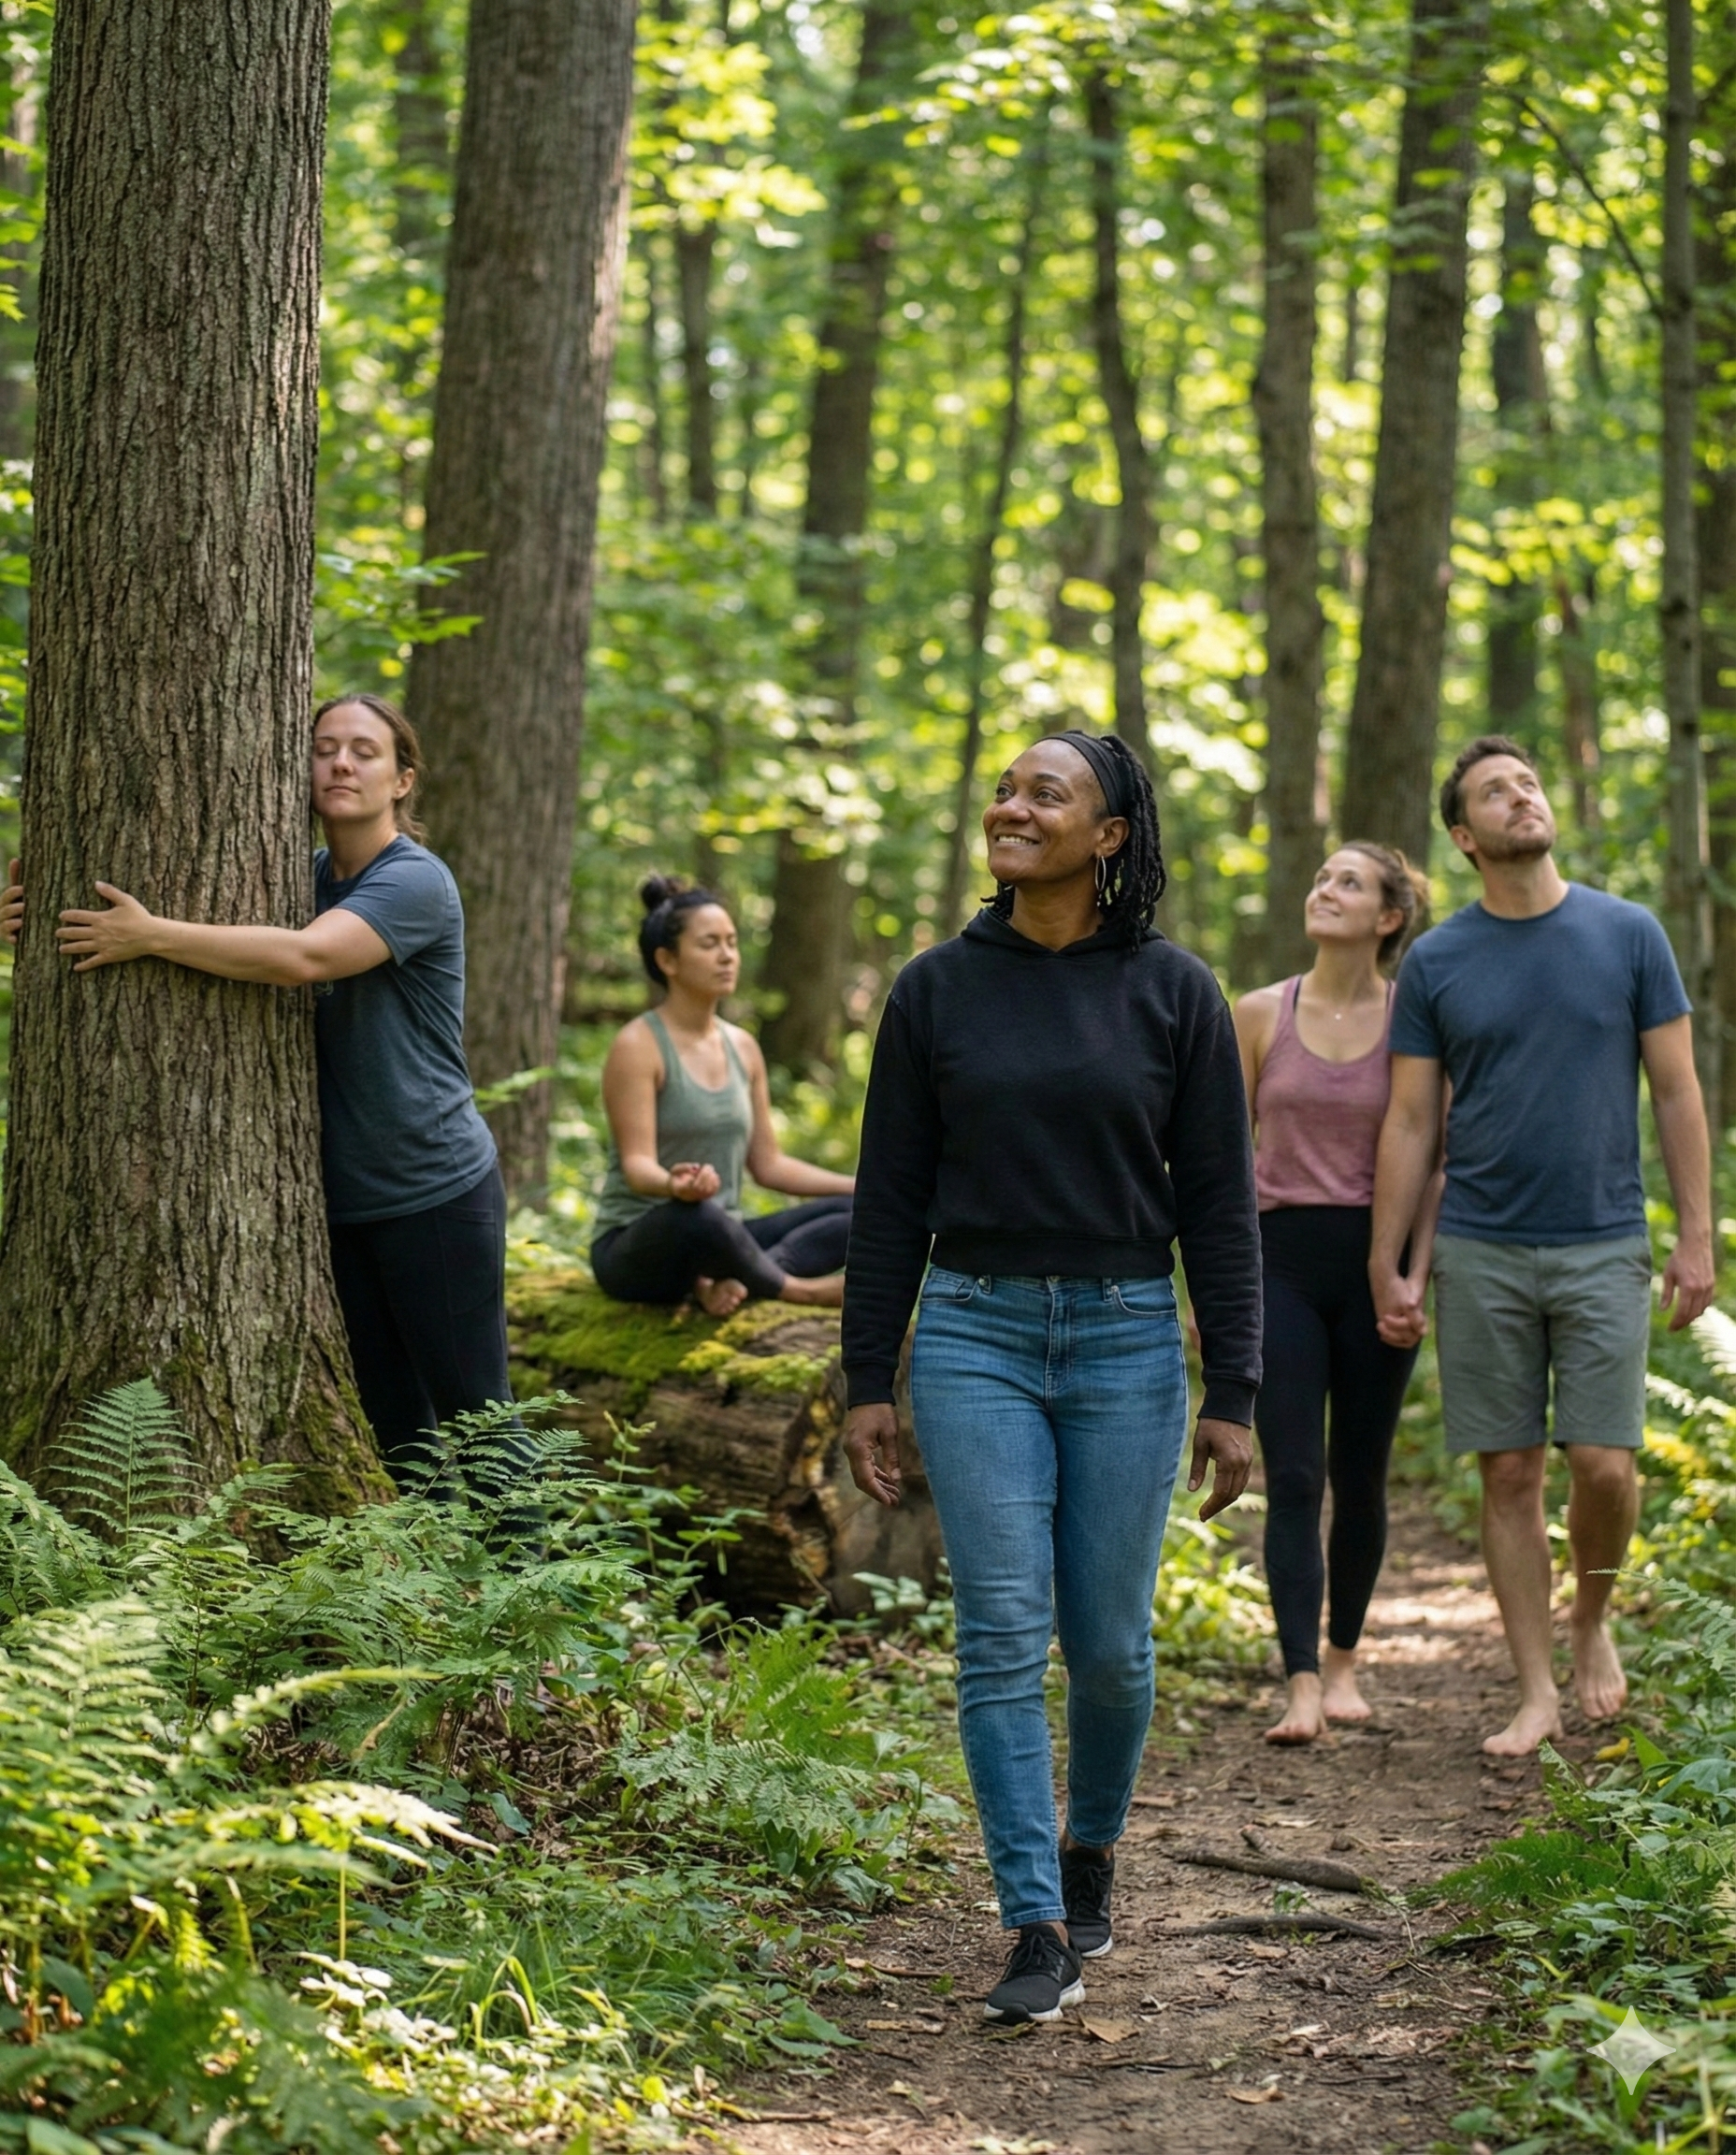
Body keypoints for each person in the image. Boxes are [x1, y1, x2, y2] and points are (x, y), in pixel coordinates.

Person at [840, 729, 1261, 2026]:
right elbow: (889, 1197)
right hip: (973, 1336)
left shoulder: (1178, 994)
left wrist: (1235, 1390)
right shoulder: (934, 990)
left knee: (1113, 1651)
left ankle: (1092, 1848)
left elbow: (1220, 1207)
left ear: (1111, 834)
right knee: (1002, 1637)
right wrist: (871, 1374)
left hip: (1133, 1337)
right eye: (1008, 789)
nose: (1011, 806)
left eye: (1046, 793)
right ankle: (1033, 1919)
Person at [2, 694, 517, 1490]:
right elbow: (241, 939)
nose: (341, 763)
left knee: (477, 1415)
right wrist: (36, 923)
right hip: (338, 1204)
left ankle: (532, 1597)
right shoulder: (294, 877)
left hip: (434, 1190)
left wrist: (148, 936)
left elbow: (304, 958)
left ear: (403, 780)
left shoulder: (415, 880)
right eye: (324, 748)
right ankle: (436, 1599)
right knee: (391, 1427)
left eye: (365, 751)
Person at [1371, 735, 1715, 1757]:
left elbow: (1677, 1089)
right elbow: (1407, 1123)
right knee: (1509, 1473)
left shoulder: (1626, 933)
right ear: (1461, 835)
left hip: (1603, 1238)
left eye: (1525, 782)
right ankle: (1533, 1689)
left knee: (1604, 1466)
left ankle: (1590, 1621)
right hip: (1478, 1246)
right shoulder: (1436, 960)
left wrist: (1693, 1236)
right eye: (1493, 791)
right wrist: (1389, 1259)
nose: (1519, 796)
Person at [1235, 844, 1437, 1745]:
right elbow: (1221, 1163)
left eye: (1349, 882)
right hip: (1277, 1262)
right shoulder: (1255, 1014)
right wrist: (1214, 1285)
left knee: (1360, 1474)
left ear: (1389, 917)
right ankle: (1302, 1683)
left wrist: (1408, 1278)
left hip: (1375, 1265)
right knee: (1294, 1475)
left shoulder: (1415, 1021)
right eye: (1320, 876)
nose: (1324, 888)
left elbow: (1433, 1165)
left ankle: (1348, 1662)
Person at [591, 877, 854, 1316]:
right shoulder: (638, 1045)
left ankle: (732, 1282)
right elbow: (637, 1166)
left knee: (862, 1213)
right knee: (695, 1215)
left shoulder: (743, 1048)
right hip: (640, 1244)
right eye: (710, 944)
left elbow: (769, 1166)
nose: (728, 955)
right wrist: (673, 1184)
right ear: (667, 960)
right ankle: (796, 1290)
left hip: (722, 1240)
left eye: (732, 942)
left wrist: (863, 1188)